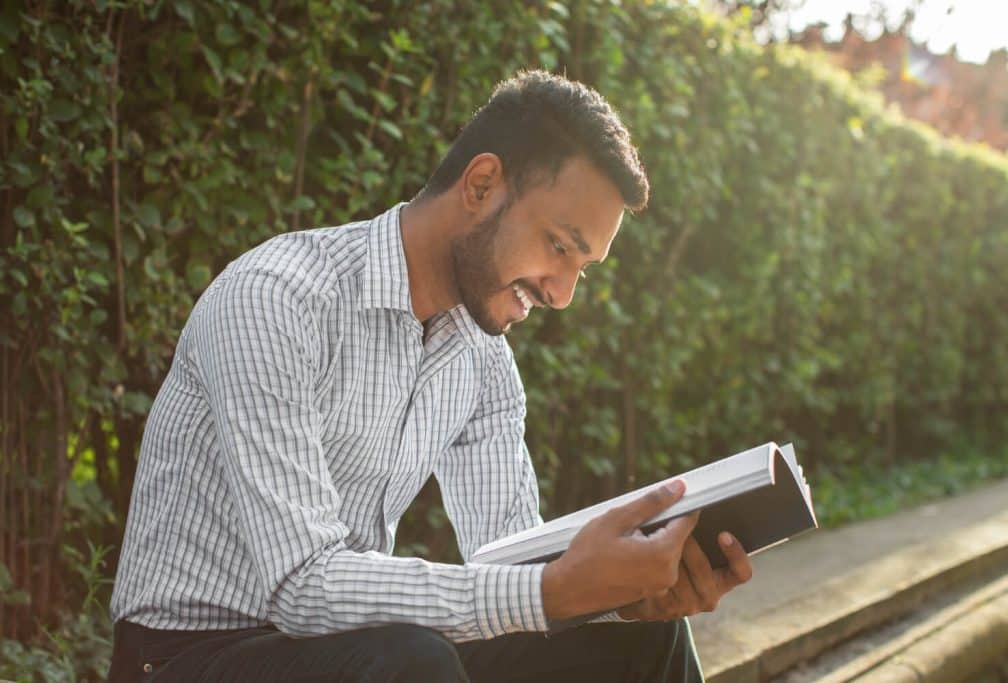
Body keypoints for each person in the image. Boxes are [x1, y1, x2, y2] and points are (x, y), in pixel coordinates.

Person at [108, 70, 753, 683]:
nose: (562, 295)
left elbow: (511, 559)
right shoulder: (276, 299)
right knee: (411, 664)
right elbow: (300, 586)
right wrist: (551, 590)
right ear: (480, 186)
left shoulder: (483, 358)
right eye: (559, 245)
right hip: (183, 658)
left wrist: (619, 595)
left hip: (352, 653)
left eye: (583, 266)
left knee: (639, 640)